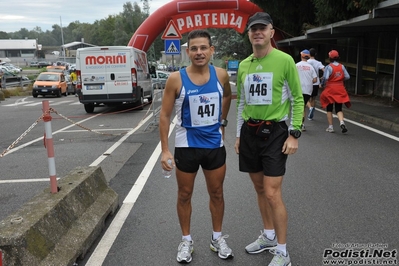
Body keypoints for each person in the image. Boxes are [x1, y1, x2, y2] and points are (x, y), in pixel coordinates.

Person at [235, 12, 303, 266]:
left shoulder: (285, 60)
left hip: (275, 132)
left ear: (272, 32)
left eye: (262, 28)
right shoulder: (244, 65)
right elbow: (241, 101)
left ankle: (283, 252)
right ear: (249, 34)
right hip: (250, 133)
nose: (257, 33)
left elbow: (298, 98)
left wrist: (294, 133)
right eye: (253, 29)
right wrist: (238, 134)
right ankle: (269, 236)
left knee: (273, 192)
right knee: (259, 188)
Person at [159, 29, 233, 263]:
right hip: (186, 146)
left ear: (212, 50)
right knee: (184, 194)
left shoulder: (221, 75)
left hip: (213, 145)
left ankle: (217, 238)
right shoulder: (176, 79)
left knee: (217, 193)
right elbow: (164, 115)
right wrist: (164, 149)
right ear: (188, 52)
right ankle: (186, 240)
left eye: (203, 48)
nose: (199, 52)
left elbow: (228, 96)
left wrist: (222, 122)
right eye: (194, 48)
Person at [320, 50, 351, 133]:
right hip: (340, 88)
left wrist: (322, 84)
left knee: (329, 108)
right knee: (339, 108)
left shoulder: (328, 67)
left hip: (330, 89)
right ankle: (342, 122)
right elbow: (347, 76)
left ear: (330, 58)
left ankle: (331, 127)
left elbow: (325, 78)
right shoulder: (342, 66)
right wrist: (340, 80)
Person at [295, 49, 317, 131]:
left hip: (298, 89)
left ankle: (298, 124)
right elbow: (315, 80)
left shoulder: (296, 65)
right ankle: (302, 124)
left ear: (301, 55)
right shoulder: (311, 67)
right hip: (308, 89)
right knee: (303, 107)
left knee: (298, 107)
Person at [306, 48, 325, 120]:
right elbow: (325, 70)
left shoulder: (306, 62)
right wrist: (322, 77)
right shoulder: (318, 63)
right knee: (313, 98)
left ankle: (310, 108)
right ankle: (311, 115)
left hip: (308, 82)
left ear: (309, 54)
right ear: (315, 54)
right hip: (316, 83)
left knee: (306, 98)